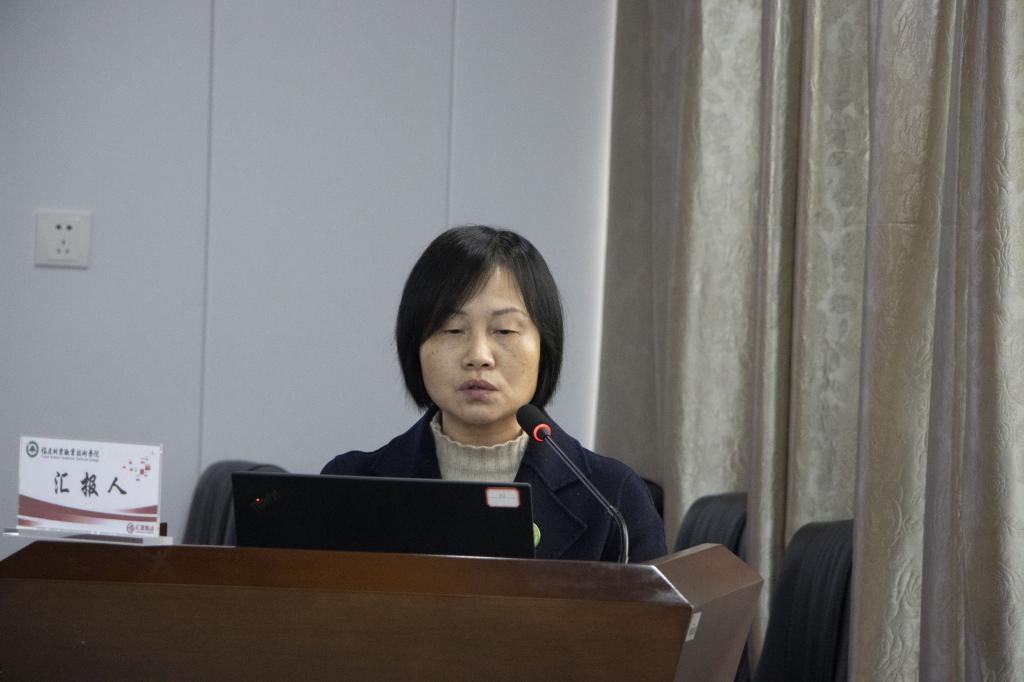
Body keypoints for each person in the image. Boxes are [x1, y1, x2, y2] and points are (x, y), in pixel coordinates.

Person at [322, 225, 666, 562]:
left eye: (504, 330)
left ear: (544, 347)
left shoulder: (613, 498)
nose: (478, 356)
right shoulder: (348, 486)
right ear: (415, 345)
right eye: (452, 329)